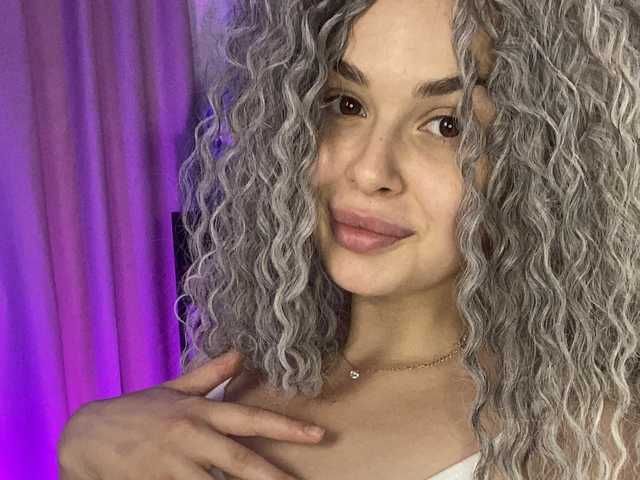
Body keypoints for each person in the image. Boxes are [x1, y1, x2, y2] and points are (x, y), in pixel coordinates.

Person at [57, 0, 640, 479]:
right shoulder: (233, 376)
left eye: (448, 125)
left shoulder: (584, 442)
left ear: (539, 163)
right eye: (347, 105)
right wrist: (82, 452)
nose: (369, 170)